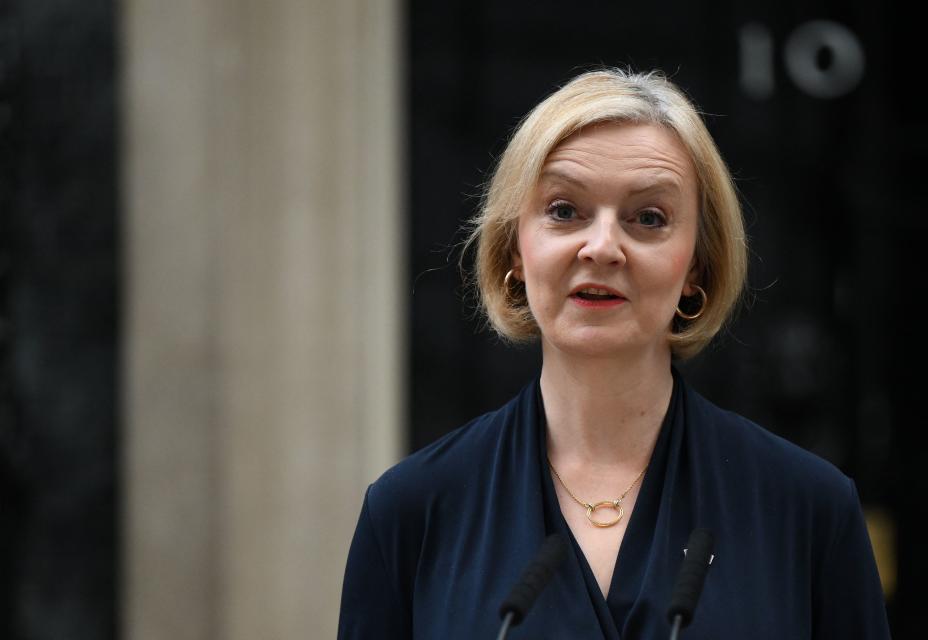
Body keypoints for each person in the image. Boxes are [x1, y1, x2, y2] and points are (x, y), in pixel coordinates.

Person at [338, 69, 891, 639]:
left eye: (648, 218)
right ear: (515, 250)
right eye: (563, 210)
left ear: (696, 267)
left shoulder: (809, 509)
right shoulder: (411, 511)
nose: (601, 247)